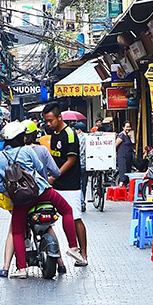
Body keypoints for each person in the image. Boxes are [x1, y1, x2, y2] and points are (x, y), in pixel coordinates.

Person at [0, 121, 84, 278]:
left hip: (21, 201)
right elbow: (40, 167)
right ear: (22, 138)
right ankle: (73, 248)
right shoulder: (28, 150)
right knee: (67, 210)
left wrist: (13, 194)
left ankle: (22, 269)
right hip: (42, 192)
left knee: (18, 232)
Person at [42, 102, 88, 265]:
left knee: (75, 218)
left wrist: (54, 176)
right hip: (56, 184)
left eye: (50, 120)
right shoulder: (54, 134)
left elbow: (71, 160)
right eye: (46, 121)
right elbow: (55, 159)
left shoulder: (69, 134)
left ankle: (83, 255)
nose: (48, 124)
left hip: (70, 184)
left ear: (59, 117)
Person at [115, 121, 135, 186]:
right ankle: (119, 191)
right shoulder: (121, 136)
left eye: (129, 127)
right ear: (123, 127)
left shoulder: (128, 136)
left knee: (127, 177)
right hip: (122, 158)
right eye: (127, 127)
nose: (128, 128)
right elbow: (115, 146)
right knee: (123, 178)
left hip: (128, 159)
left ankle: (124, 192)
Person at [74, 121, 88, 212]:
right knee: (84, 184)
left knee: (79, 184)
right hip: (88, 164)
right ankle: (83, 200)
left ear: (79, 130)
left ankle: (82, 203)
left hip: (79, 164)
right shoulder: (89, 137)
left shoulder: (77, 138)